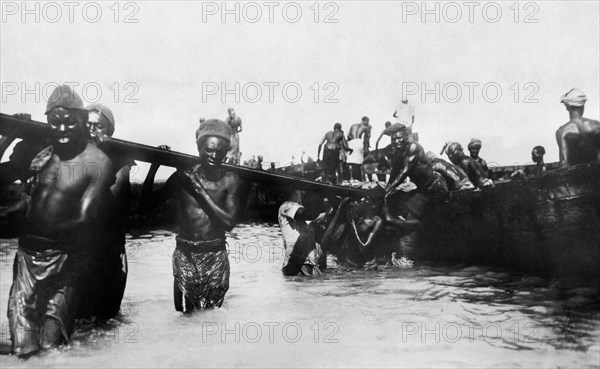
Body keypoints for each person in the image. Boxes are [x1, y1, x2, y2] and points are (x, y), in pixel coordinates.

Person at [7, 85, 115, 357]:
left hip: (66, 260)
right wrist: (9, 135)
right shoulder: (39, 154)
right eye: (56, 123)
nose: (63, 129)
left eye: (71, 122)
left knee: (52, 348)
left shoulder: (97, 162)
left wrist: (36, 225)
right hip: (27, 259)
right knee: (24, 348)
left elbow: (86, 218)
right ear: (48, 123)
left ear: (83, 122)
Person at [138, 119, 239, 313]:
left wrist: (198, 189)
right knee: (185, 317)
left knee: (212, 317)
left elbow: (229, 222)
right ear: (199, 148)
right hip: (185, 256)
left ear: (227, 153)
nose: (214, 156)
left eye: (220, 152)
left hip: (215, 255)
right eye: (209, 150)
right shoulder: (181, 178)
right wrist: (154, 166)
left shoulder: (230, 180)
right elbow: (144, 207)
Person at [75, 103, 131, 320]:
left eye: (98, 126)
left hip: (108, 251)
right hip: (76, 250)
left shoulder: (119, 161)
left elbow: (115, 207)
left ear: (109, 132)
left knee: (105, 319)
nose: (91, 131)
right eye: (87, 125)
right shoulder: (70, 157)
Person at [278, 191, 330, 276]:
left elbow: (321, 242)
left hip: (308, 264)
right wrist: (319, 196)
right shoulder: (286, 206)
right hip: (297, 264)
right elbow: (308, 214)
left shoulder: (303, 213)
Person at [556, 88, 600, 166]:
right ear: (582, 106)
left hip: (575, 177)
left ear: (567, 107)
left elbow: (564, 164)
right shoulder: (596, 125)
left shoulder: (562, 132)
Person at [346, 117, 372, 181]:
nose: (368, 123)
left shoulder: (353, 126)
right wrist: (367, 147)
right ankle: (361, 179)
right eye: (367, 122)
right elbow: (366, 139)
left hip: (351, 142)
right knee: (360, 162)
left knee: (350, 161)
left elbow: (348, 136)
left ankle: (351, 178)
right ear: (364, 121)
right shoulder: (365, 127)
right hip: (358, 142)